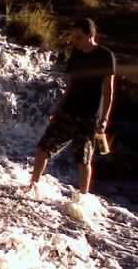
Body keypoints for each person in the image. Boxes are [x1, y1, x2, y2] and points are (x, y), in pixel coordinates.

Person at [29, 17, 115, 196]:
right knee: (43, 148)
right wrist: (58, 109)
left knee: (83, 161)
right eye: (73, 37)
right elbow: (71, 85)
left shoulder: (106, 56)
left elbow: (108, 90)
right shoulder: (76, 53)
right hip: (67, 112)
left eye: (78, 37)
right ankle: (32, 187)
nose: (74, 41)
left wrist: (104, 119)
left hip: (89, 116)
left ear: (90, 35)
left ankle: (82, 199)